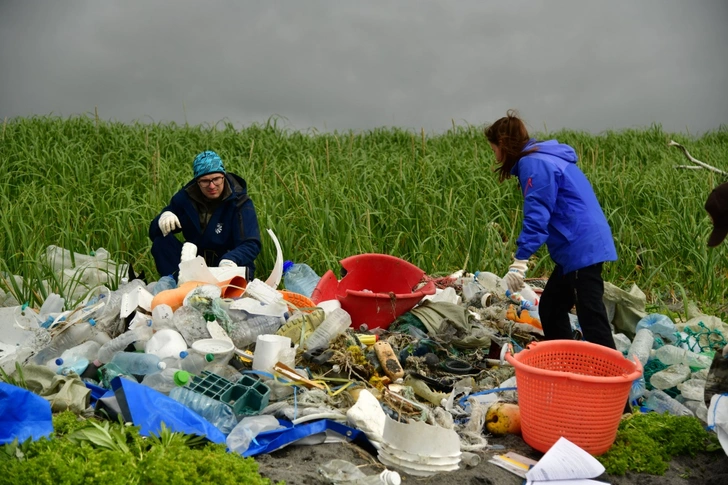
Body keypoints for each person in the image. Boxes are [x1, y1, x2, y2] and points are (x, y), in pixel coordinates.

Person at [486, 111, 618, 349]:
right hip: (576, 247)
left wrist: (520, 262)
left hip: (580, 245)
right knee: (552, 307)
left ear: (504, 145)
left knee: (591, 318)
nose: (495, 156)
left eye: (494, 149)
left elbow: (537, 214)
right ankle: (567, 362)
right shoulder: (541, 157)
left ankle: (611, 378)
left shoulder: (533, 163)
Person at [149, 150, 262, 280]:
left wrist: (230, 259)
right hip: (195, 262)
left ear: (223, 176)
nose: (212, 186)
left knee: (238, 265)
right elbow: (154, 233)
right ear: (197, 181)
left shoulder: (240, 202)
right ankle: (176, 287)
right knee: (161, 242)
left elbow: (251, 244)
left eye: (216, 179)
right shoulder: (185, 199)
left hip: (228, 263)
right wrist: (163, 217)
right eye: (205, 181)